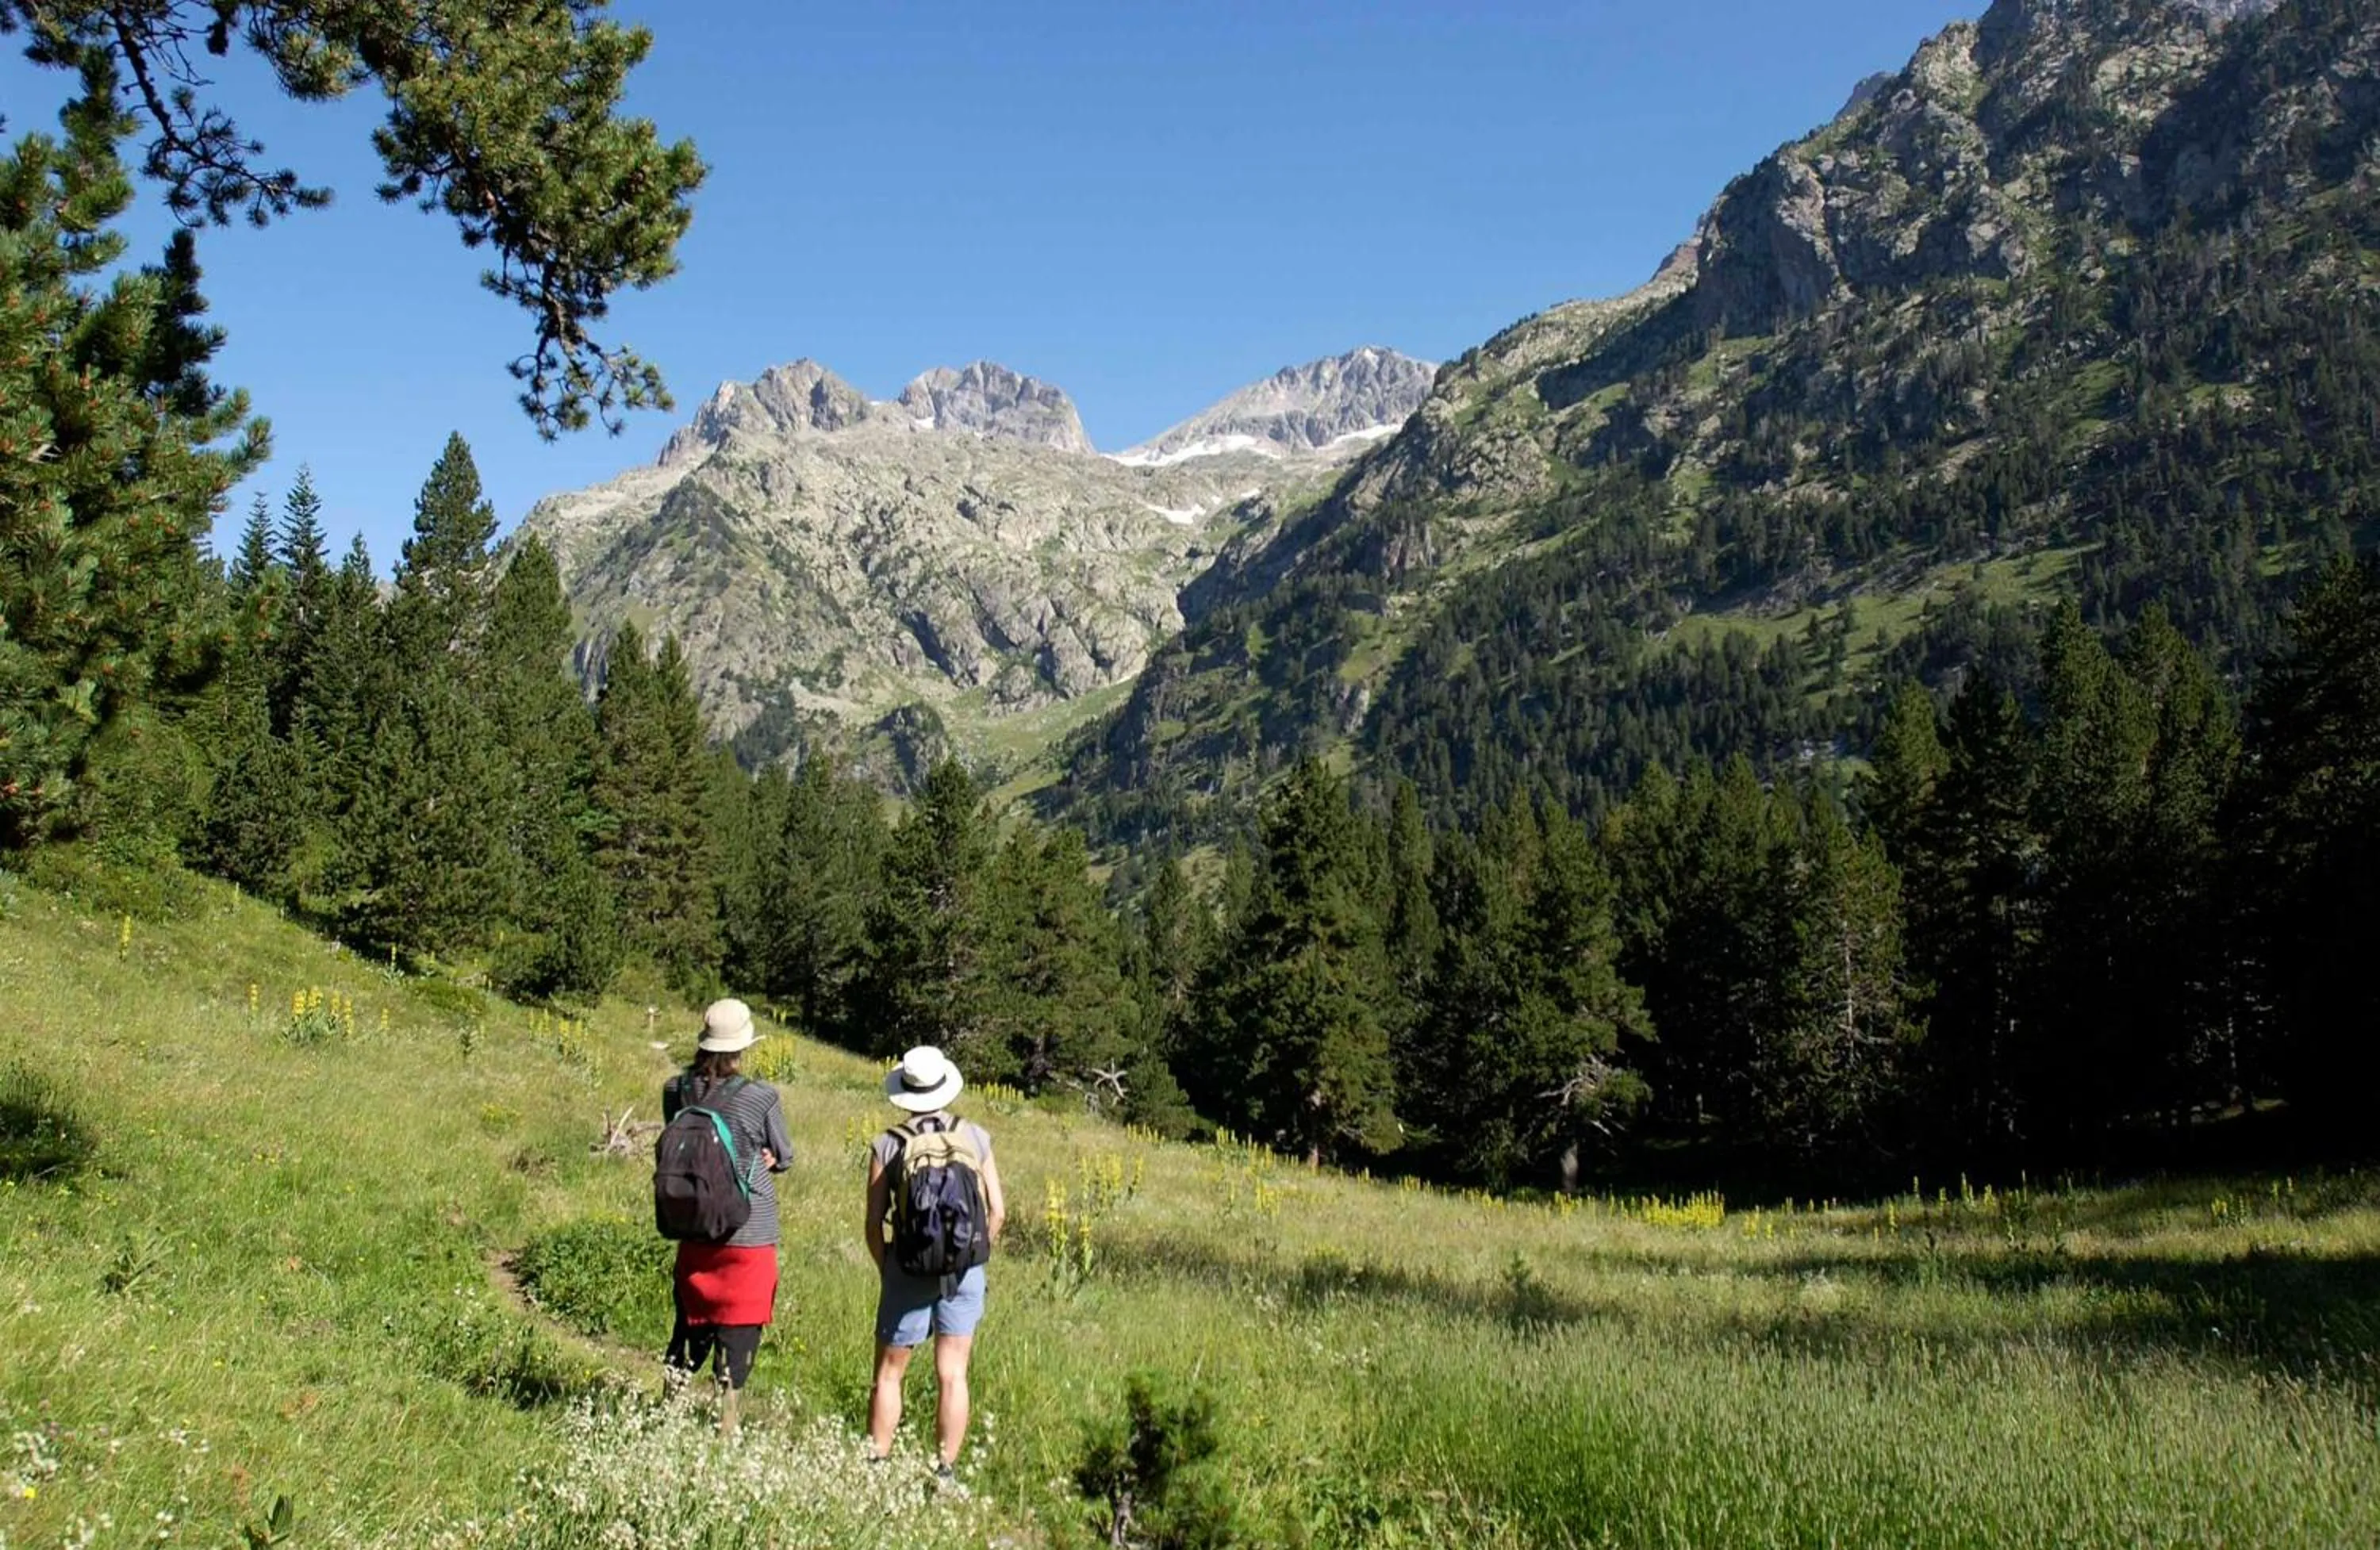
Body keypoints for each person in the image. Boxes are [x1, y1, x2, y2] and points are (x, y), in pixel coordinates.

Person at [864, 1045, 1006, 1483]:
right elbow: (997, 1212)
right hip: (965, 1271)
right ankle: (944, 1472)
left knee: (889, 1375)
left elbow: (873, 1224)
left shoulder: (888, 1145)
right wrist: (970, 1256)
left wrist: (890, 1267)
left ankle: (877, 1466)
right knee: (953, 1374)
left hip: (907, 1270)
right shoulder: (975, 1136)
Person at [662, 998, 793, 1436]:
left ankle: (668, 1411)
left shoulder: (675, 1089)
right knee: (739, 1328)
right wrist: (767, 1157)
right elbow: (785, 1156)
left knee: (690, 1321)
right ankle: (727, 1424)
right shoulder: (760, 1097)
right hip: (748, 1230)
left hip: (693, 1226)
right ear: (742, 1046)